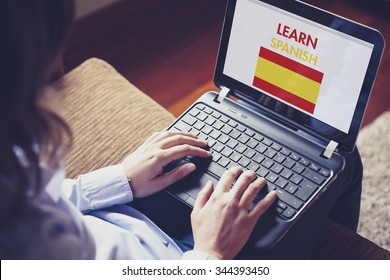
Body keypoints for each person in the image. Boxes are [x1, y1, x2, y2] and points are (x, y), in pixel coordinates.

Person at [0, 0, 362, 260]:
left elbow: (48, 198)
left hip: (128, 220)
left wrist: (119, 179)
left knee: (303, 138)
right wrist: (210, 253)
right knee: (342, 157)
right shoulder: (23, 239)